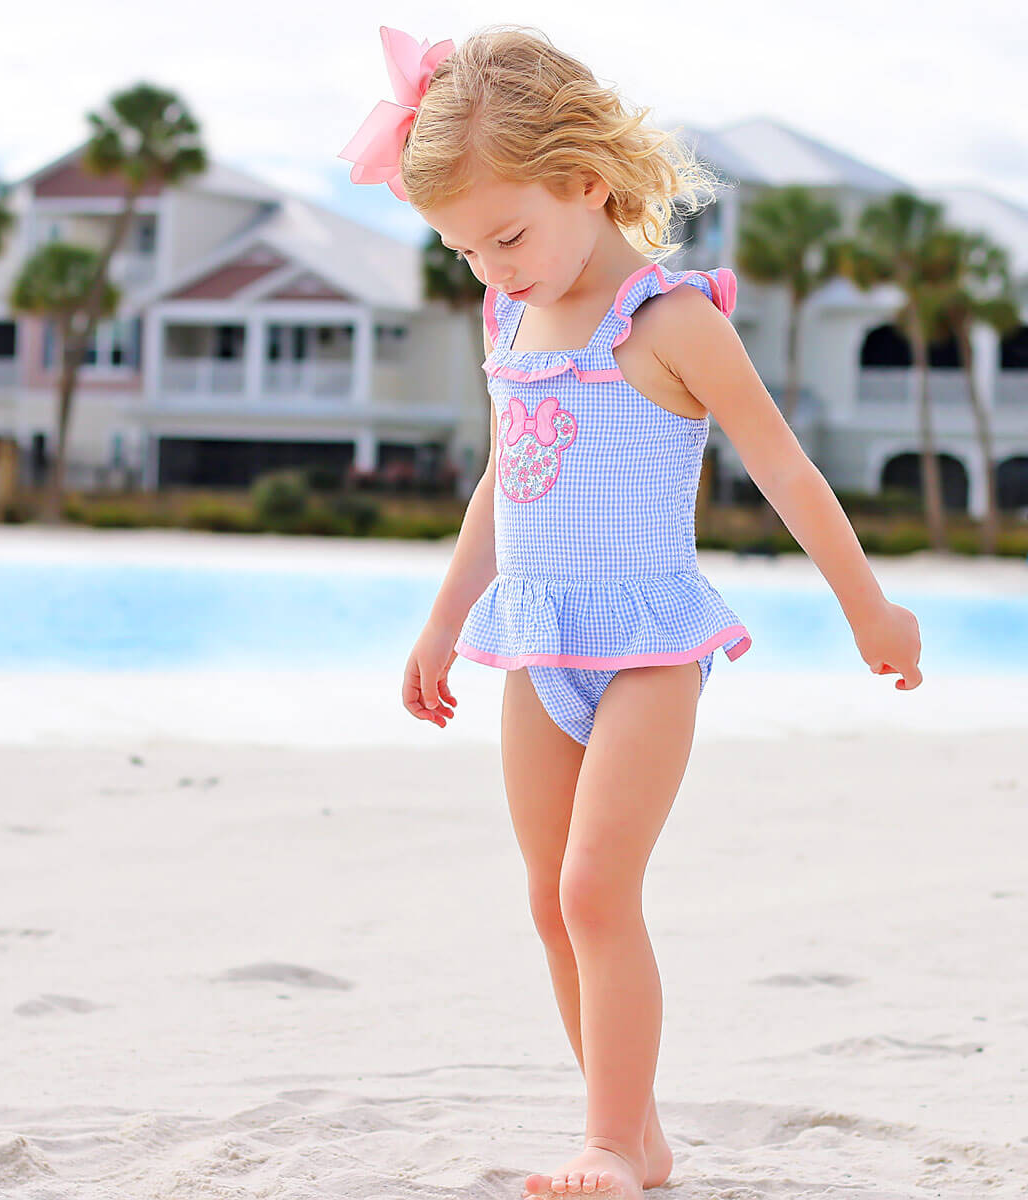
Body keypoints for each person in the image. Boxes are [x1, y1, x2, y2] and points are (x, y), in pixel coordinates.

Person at [340, 24, 923, 1199]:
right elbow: (505, 484)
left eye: (507, 235)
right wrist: (442, 622)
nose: (491, 268)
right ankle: (635, 1130)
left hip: (649, 648)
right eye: (463, 250)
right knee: (551, 906)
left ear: (587, 183)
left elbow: (788, 469)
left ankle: (608, 1147)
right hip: (533, 642)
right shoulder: (508, 320)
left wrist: (872, 610)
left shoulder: (670, 323)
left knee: (596, 888)